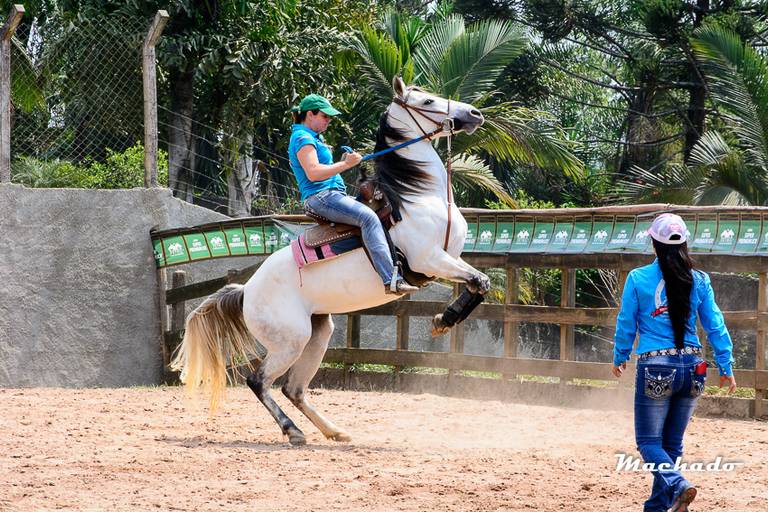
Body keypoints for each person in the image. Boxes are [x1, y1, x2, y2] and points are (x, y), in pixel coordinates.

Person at [611, 213, 737, 512]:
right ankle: (659, 506)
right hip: (694, 367)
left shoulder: (638, 278)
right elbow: (715, 325)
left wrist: (620, 355)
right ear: (684, 245)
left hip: (656, 365)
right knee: (672, 444)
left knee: (648, 442)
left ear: (654, 243)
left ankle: (679, 484)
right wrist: (726, 365)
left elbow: (627, 322)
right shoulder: (700, 280)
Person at [288, 94, 419, 294]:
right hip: (321, 197)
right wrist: (346, 164)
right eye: (325, 116)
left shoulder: (313, 137)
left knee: (381, 208)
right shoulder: (302, 138)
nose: (328, 120)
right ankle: (390, 280)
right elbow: (313, 173)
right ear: (310, 114)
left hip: (331, 195)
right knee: (368, 218)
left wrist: (343, 162)